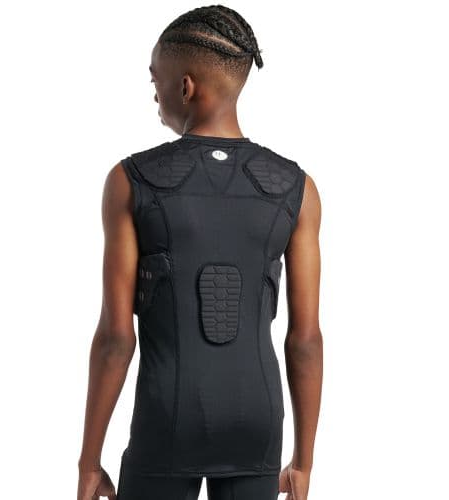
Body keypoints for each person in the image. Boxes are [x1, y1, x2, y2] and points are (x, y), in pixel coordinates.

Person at [77, 5, 322, 500]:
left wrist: (88, 461)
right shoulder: (297, 188)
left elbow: (115, 340)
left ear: (186, 87)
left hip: (166, 420)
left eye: (156, 82)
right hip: (257, 422)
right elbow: (306, 341)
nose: (155, 96)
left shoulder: (130, 181)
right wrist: (303, 462)